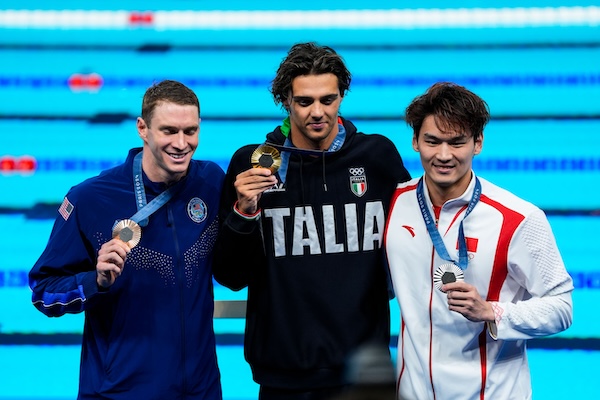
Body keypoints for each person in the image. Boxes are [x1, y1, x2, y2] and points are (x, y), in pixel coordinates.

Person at [213, 42, 411, 400]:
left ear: (342, 96)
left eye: (328, 99)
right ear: (285, 100)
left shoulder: (377, 156)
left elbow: (414, 244)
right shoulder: (253, 165)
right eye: (304, 101)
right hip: (284, 375)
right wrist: (244, 210)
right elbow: (230, 276)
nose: (317, 112)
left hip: (365, 372)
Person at [29, 80, 224, 399]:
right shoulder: (91, 199)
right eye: (169, 131)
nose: (181, 143)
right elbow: (43, 293)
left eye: (190, 131)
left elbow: (234, 265)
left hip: (200, 391)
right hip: (119, 391)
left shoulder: (210, 183)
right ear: (142, 128)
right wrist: (96, 281)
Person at [385, 82, 574, 399]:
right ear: (416, 142)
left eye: (457, 142)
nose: (444, 155)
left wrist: (493, 311)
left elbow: (562, 308)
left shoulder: (518, 218)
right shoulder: (395, 203)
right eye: (433, 141)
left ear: (478, 143)